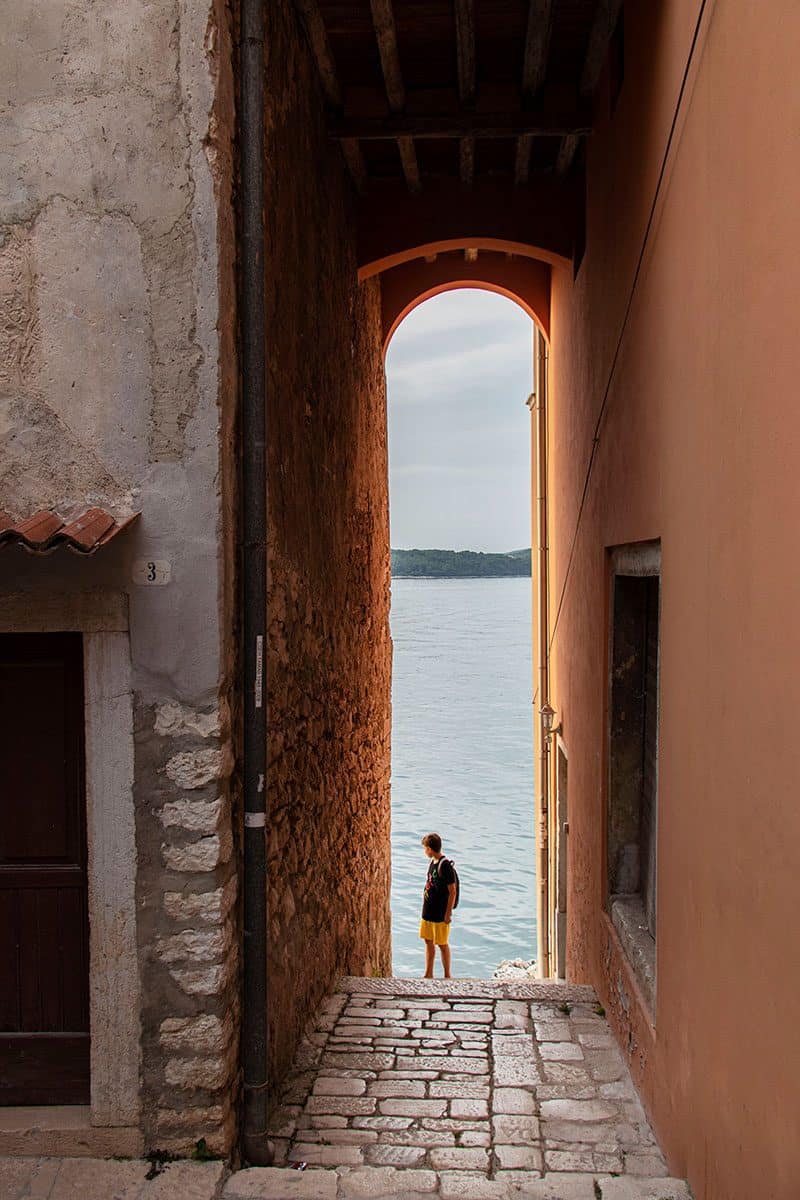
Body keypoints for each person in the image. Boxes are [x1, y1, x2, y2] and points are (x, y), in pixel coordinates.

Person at [419, 832, 457, 978]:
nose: (425, 851)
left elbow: (452, 891)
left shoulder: (444, 865)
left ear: (430, 848)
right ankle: (428, 973)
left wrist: (448, 913)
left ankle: (447, 975)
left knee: (442, 944)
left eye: (425, 848)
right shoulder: (433, 862)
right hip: (428, 911)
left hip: (440, 913)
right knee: (428, 941)